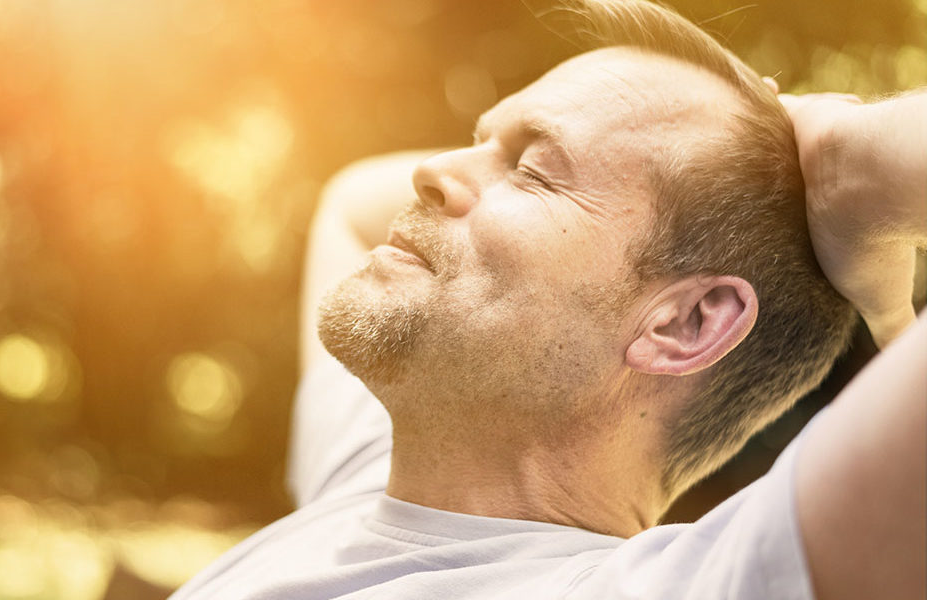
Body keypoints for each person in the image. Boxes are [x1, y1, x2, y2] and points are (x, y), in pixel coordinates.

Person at [171, 1, 926, 598]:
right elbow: (350, 204)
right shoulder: (367, 478)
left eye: (532, 168)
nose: (432, 169)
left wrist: (841, 157)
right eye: (477, 138)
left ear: (683, 322)